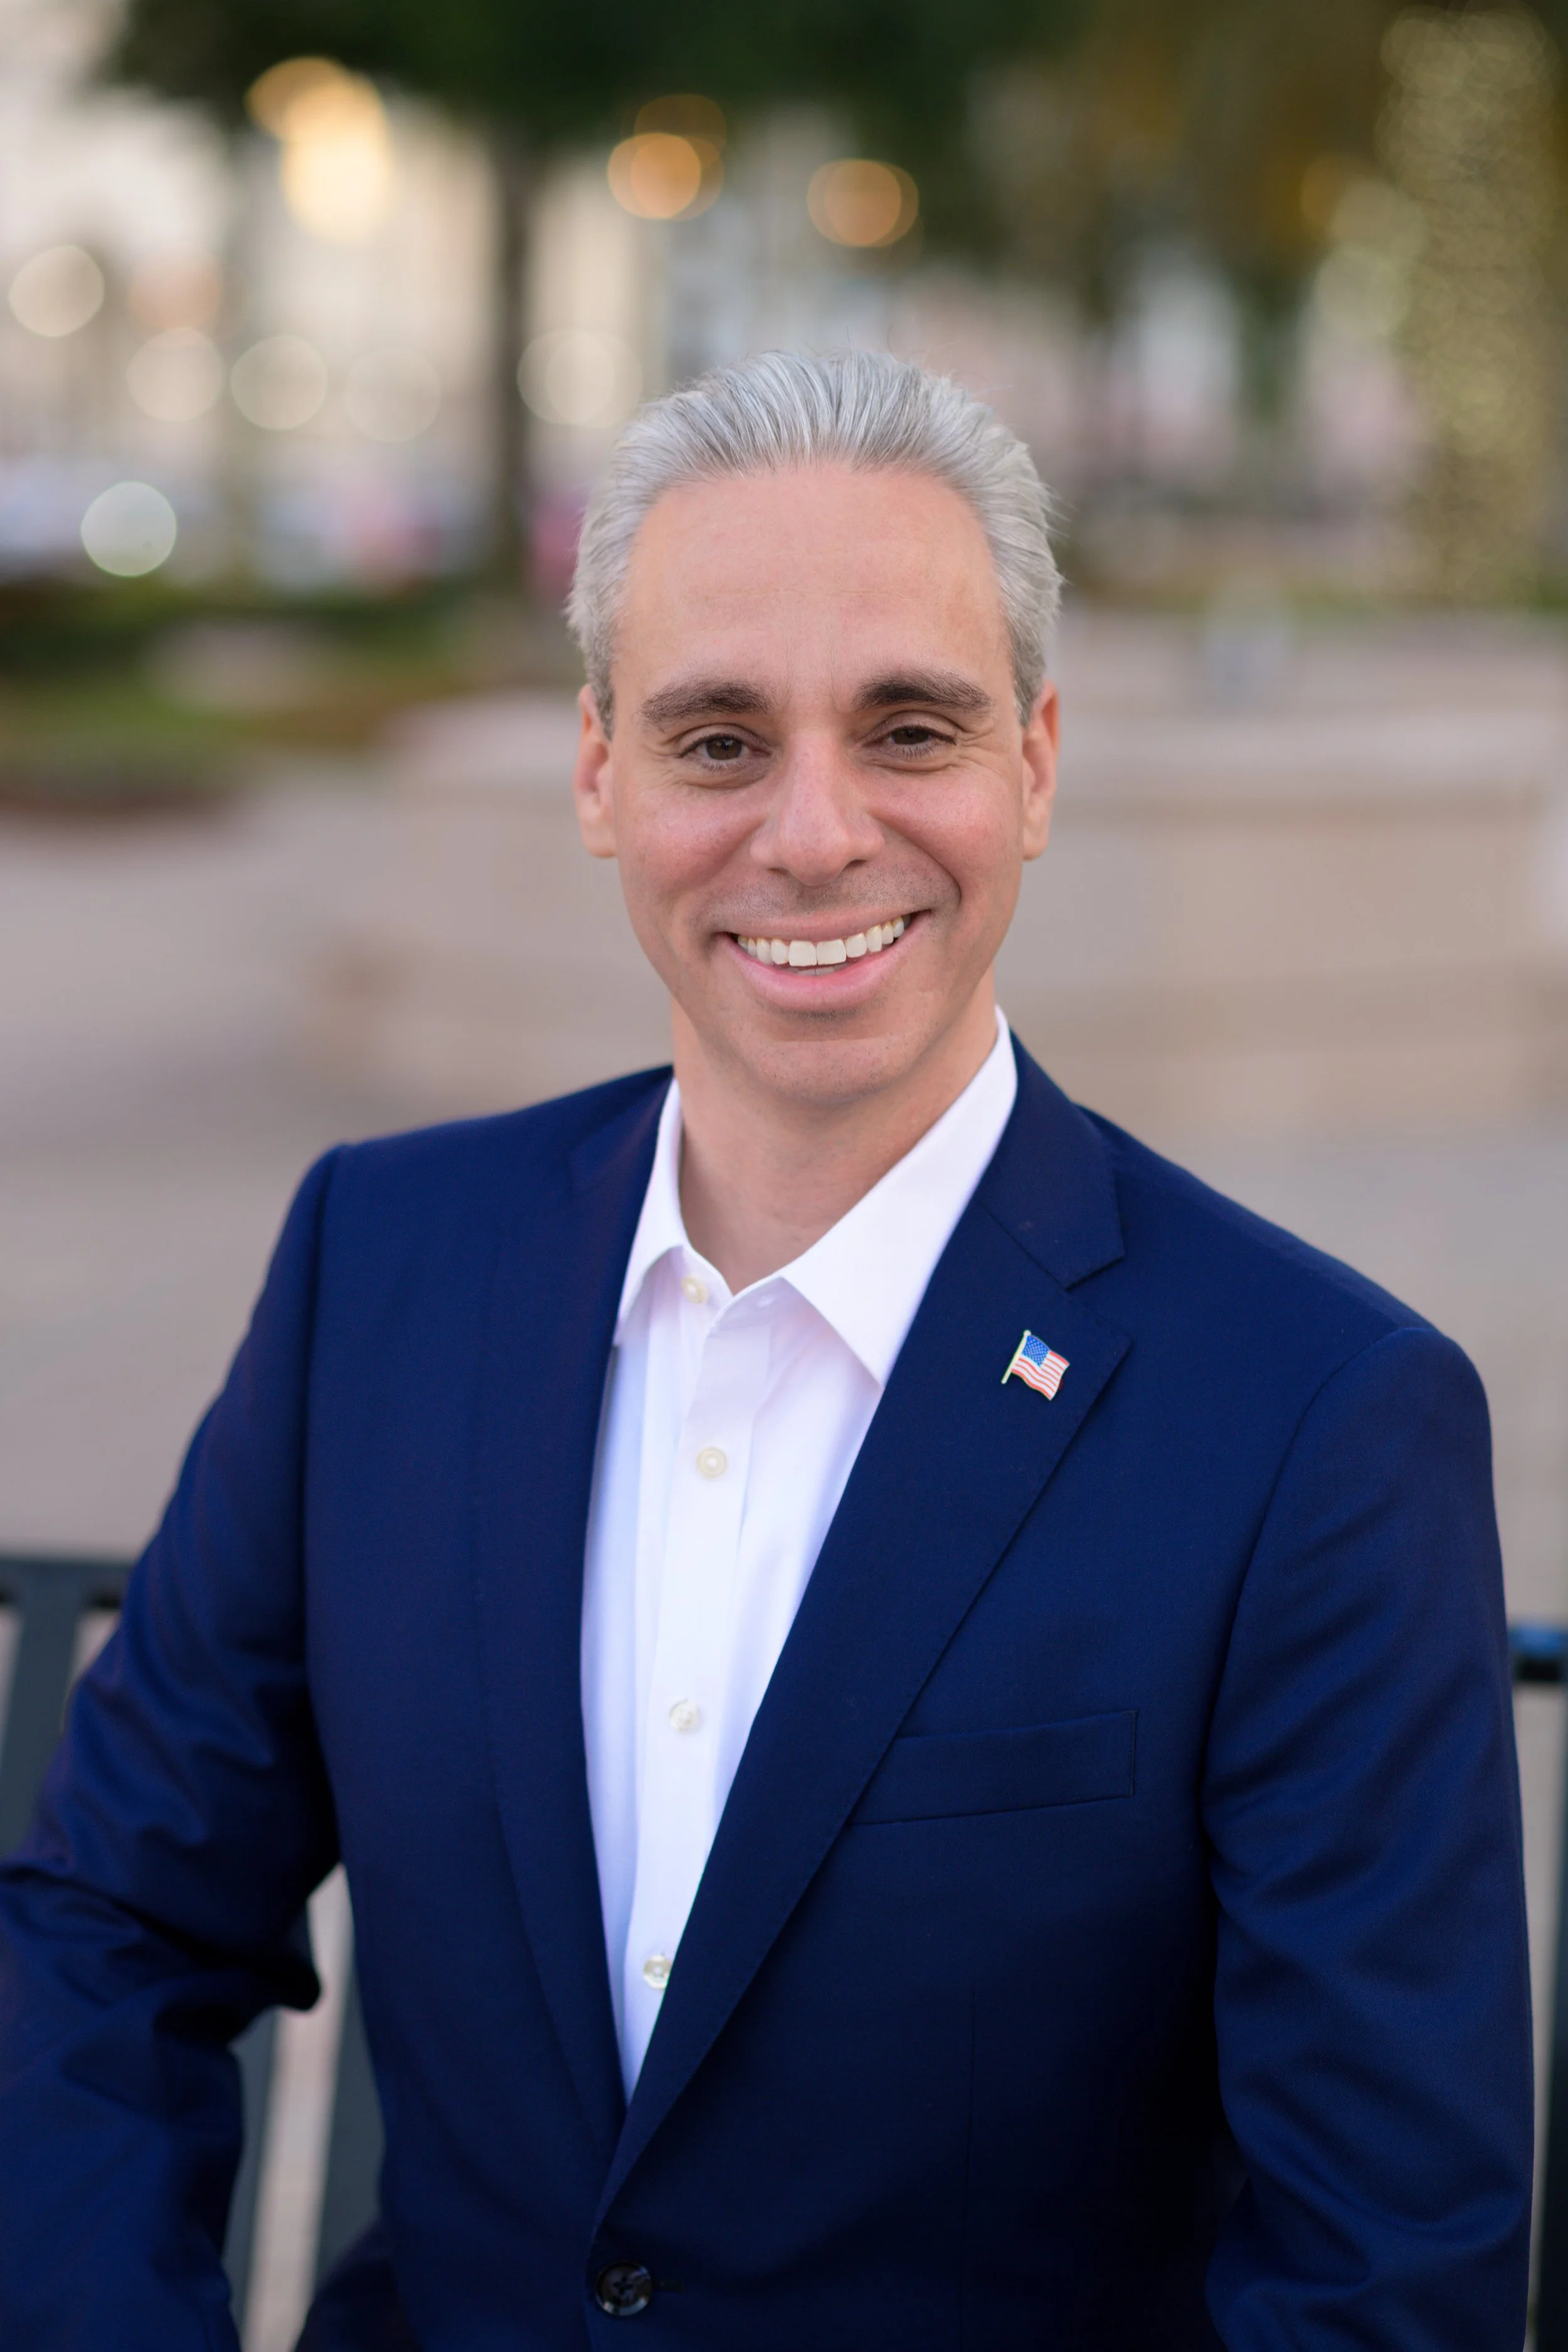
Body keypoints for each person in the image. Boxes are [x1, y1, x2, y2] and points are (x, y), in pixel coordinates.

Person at [0, 351, 1532, 2350]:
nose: (814, 834)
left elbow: (1383, 2272)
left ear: (1038, 763)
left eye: (908, 725)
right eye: (717, 739)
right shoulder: (381, 1265)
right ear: (596, 774)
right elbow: (111, 1928)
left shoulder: (1318, 1420)